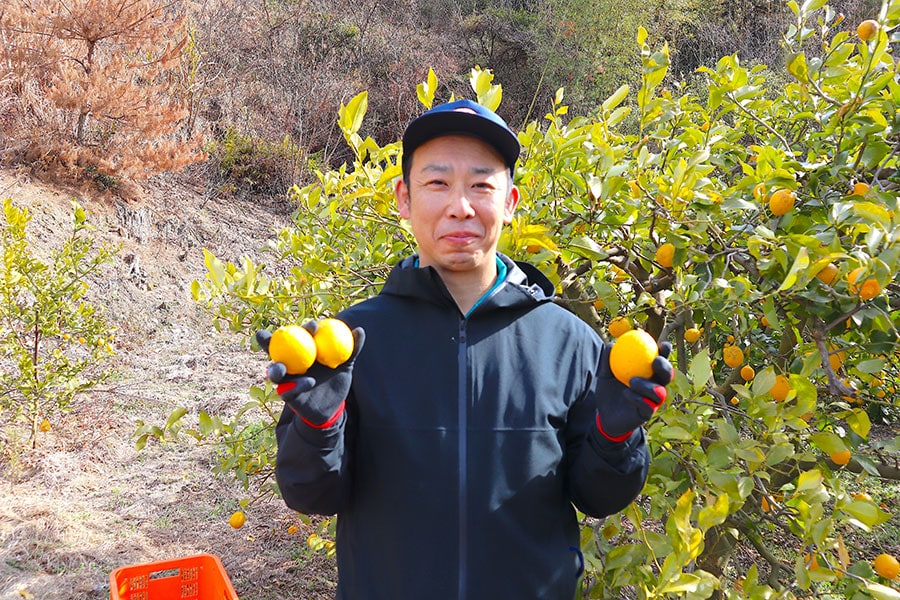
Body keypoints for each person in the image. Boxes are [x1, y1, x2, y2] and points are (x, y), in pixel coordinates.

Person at [256, 98, 673, 599]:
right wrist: (319, 428)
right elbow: (312, 495)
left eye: (481, 184)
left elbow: (600, 497)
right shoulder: (350, 342)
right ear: (404, 199)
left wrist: (614, 436)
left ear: (510, 202)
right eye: (438, 183)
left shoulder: (569, 340)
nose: (461, 205)